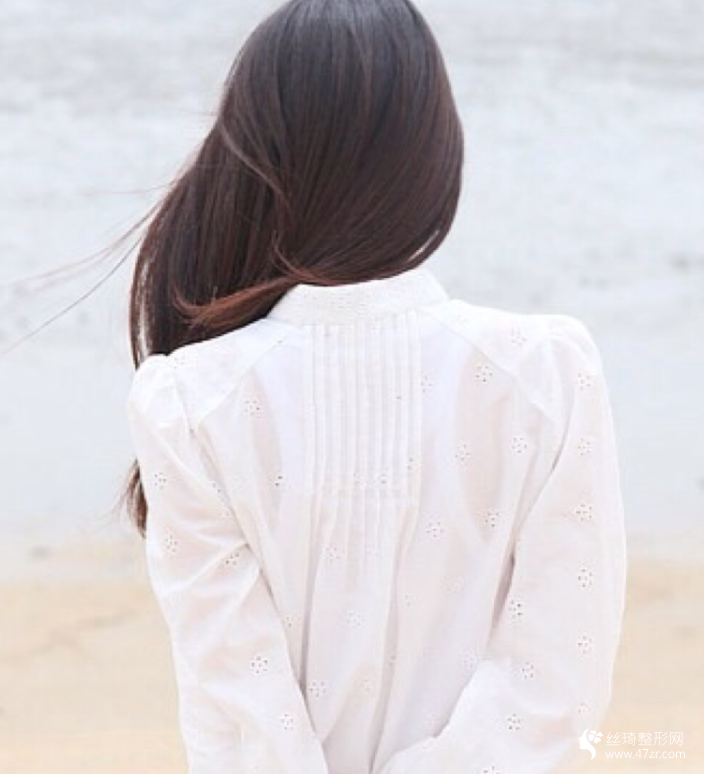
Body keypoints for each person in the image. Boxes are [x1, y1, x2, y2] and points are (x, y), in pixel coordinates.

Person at [124, 1, 628, 773]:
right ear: (434, 156)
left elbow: (242, 713)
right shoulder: (546, 375)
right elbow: (554, 687)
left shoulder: (190, 403)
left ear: (256, 159)